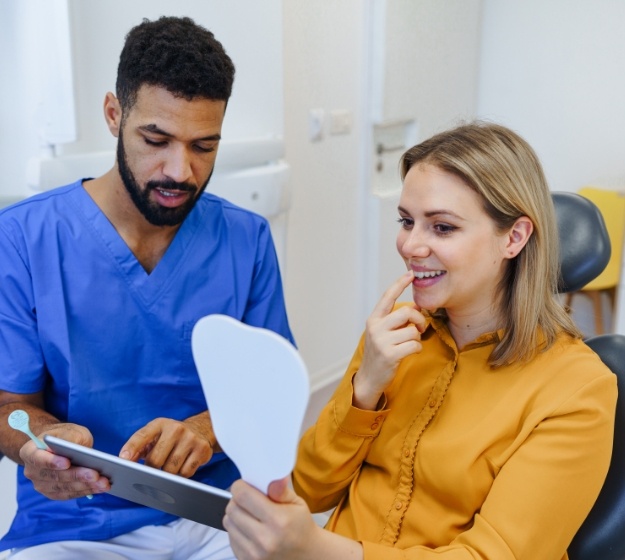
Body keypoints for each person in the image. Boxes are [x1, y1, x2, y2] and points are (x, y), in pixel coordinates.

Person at [223, 122, 617, 560]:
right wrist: (366, 388)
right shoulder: (394, 336)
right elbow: (310, 490)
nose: (411, 245)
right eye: (407, 221)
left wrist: (314, 548)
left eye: (442, 228)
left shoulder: (578, 389)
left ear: (515, 237)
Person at [0, 15, 293, 560]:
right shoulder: (23, 238)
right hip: (76, 523)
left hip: (219, 513)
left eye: (204, 146)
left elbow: (272, 393)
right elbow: (9, 406)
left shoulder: (245, 239)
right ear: (114, 114)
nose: (179, 170)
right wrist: (36, 440)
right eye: (156, 140)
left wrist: (207, 429)